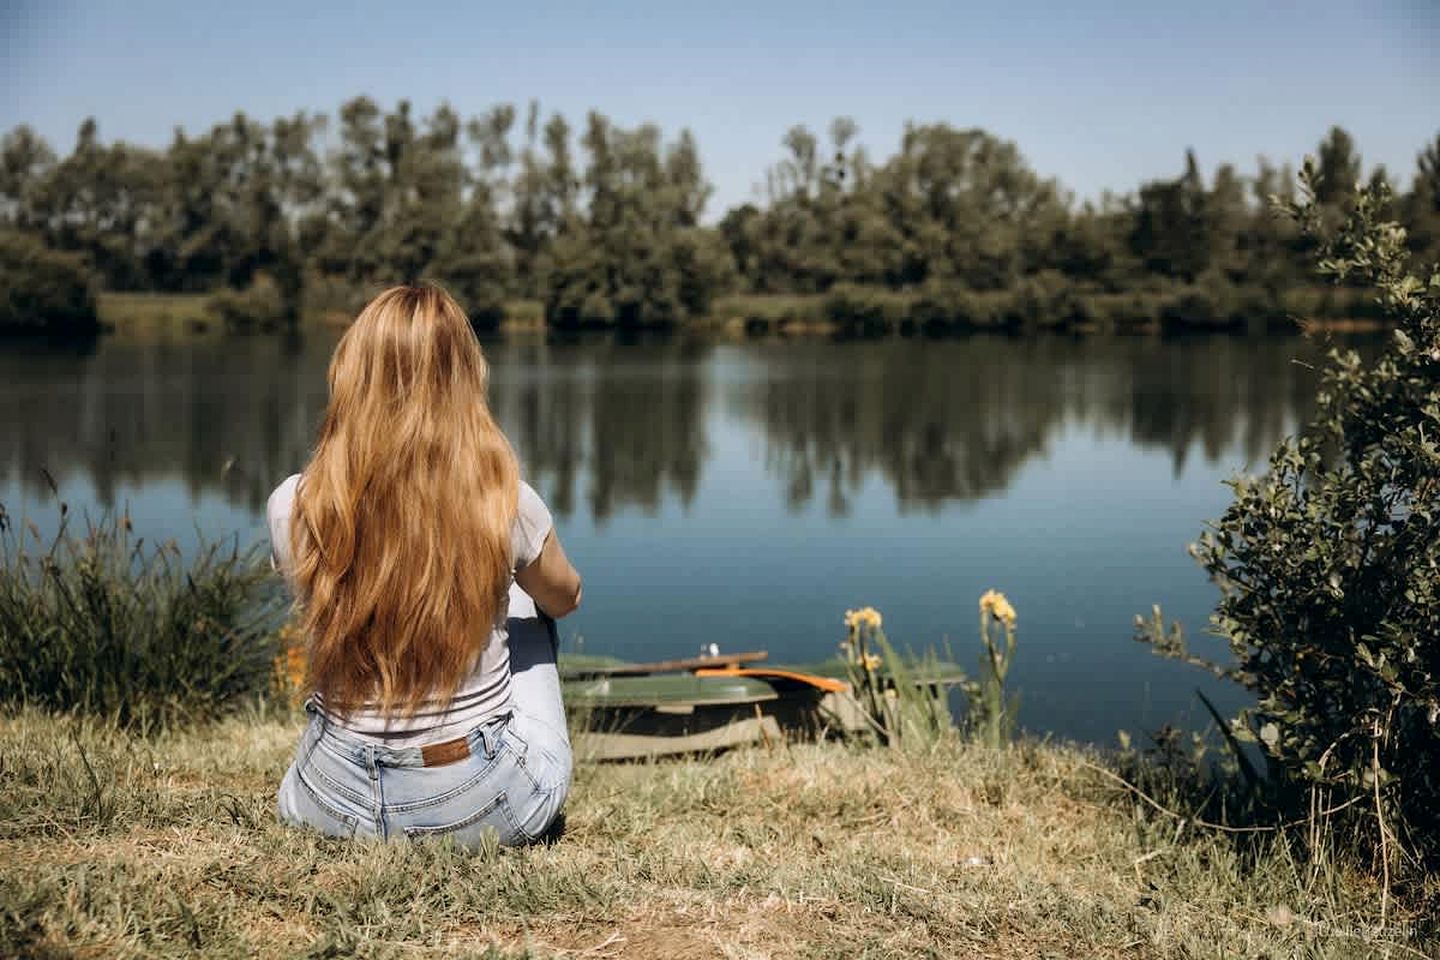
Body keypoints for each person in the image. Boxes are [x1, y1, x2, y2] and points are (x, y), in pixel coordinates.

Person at [266, 284, 582, 847]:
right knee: (529, 600)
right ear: (464, 379)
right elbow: (565, 597)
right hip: (477, 804)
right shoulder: (504, 502)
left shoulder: (295, 503)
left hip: (328, 798)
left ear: (351, 373)